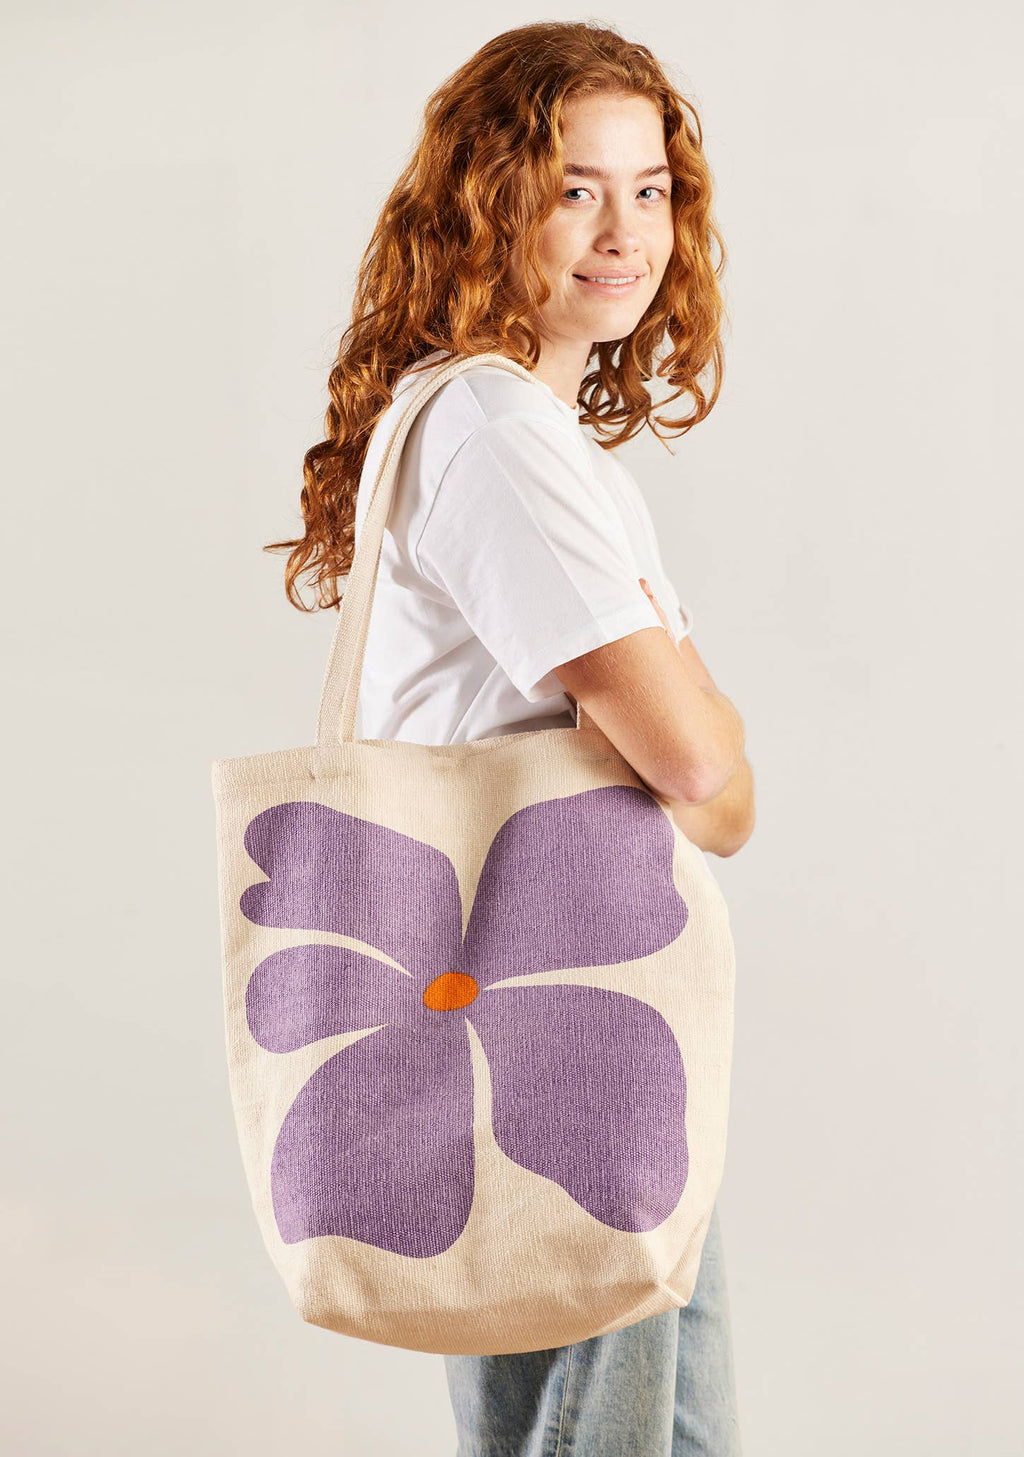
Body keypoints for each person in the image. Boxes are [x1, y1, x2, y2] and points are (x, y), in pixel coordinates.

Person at [266, 19, 754, 1455]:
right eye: (574, 188)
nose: (626, 233)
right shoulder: (497, 432)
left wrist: (687, 735)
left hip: (570, 1013)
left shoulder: (531, 432)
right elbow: (705, 772)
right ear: (490, 204)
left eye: (650, 189)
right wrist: (697, 719)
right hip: (560, 1029)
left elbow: (715, 795)